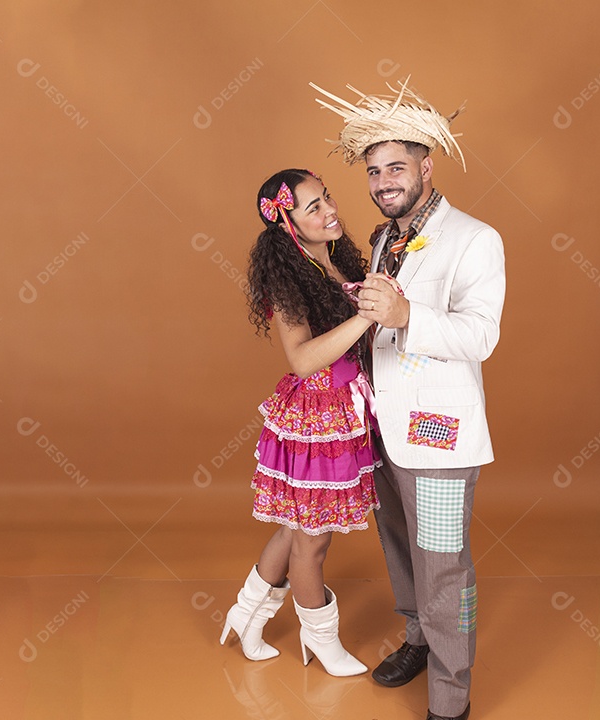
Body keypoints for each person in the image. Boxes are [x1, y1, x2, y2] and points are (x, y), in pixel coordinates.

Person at [311, 79, 506, 720]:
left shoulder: (475, 239)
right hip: (383, 428)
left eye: (397, 167)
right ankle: (418, 638)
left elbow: (481, 336)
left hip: (439, 436)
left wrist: (405, 313)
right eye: (374, 171)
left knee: (443, 565)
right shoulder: (384, 236)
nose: (384, 180)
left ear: (427, 165)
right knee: (398, 542)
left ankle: (452, 697)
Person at [220, 168, 389, 677]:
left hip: (344, 406)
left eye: (327, 198)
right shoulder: (287, 274)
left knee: (298, 527)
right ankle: (322, 641)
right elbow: (301, 358)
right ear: (288, 225)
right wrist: (367, 315)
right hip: (317, 415)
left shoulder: (335, 259)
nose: (329, 210)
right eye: (313, 207)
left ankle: (246, 614)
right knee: (312, 539)